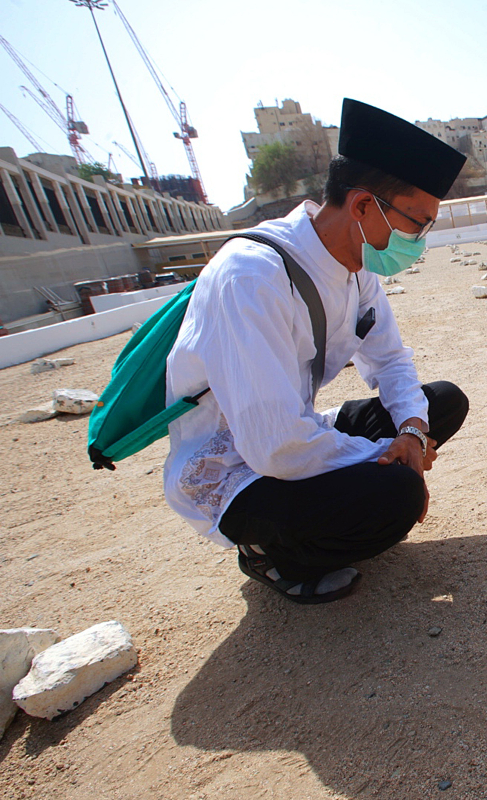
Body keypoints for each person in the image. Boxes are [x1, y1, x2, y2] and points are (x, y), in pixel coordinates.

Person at [164, 98, 469, 603]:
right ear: (364, 206)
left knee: (441, 402)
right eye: (417, 223)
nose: (419, 241)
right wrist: (391, 461)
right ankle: (270, 554)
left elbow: (390, 361)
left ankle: (358, 500)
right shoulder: (251, 277)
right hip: (242, 466)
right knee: (397, 493)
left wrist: (412, 435)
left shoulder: (355, 267)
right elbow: (275, 445)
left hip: (292, 432)